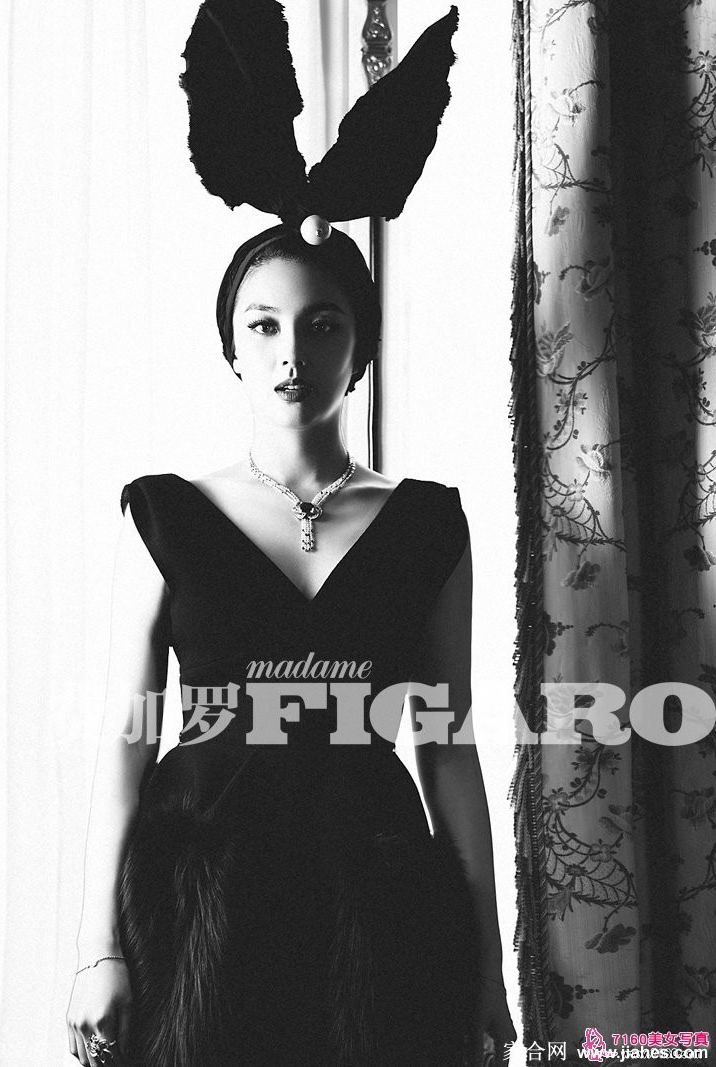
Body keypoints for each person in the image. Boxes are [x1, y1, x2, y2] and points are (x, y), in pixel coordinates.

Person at [66, 223, 517, 1065]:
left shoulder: (428, 523)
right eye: (264, 324)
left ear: (361, 346)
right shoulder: (164, 514)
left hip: (376, 906)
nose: (291, 353)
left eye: (322, 324)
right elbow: (126, 743)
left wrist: (486, 964)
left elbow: (449, 750)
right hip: (198, 909)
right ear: (232, 348)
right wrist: (99, 951)